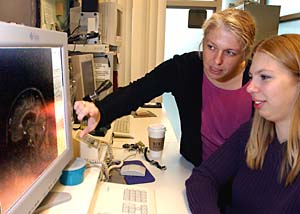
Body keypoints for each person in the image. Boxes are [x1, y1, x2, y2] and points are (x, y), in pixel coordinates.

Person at [74, 8, 256, 166]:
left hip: (243, 181)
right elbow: (138, 91)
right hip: (197, 172)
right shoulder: (185, 68)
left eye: (230, 52)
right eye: (211, 47)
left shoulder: (259, 80)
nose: (217, 61)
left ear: (245, 54)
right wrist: (101, 111)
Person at [185, 34, 300, 213]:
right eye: (252, 76)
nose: (250, 87)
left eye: (265, 77)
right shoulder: (252, 132)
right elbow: (203, 177)